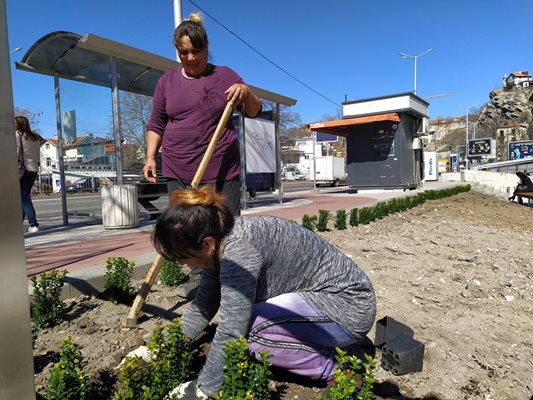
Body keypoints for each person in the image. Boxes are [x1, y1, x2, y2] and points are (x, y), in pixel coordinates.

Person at [153, 187, 377, 399]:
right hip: (326, 303)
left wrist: (203, 389)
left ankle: (340, 370)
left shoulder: (237, 254)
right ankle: (335, 344)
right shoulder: (221, 238)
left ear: (207, 244)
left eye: (181, 257)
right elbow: (204, 304)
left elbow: (233, 329)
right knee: (248, 323)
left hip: (348, 308)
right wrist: (159, 348)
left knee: (252, 335)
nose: (182, 264)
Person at [143, 12, 262, 299]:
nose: (190, 58)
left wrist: (246, 92)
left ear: (206, 49)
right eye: (183, 52)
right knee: (186, 229)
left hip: (220, 167)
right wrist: (150, 157)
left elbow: (254, 110)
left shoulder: (225, 76)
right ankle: (202, 284)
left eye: (196, 51)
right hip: (177, 166)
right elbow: (157, 123)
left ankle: (234, 279)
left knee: (227, 226)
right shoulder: (167, 82)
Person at [15, 116, 41, 233]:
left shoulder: (18, 134)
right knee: (23, 197)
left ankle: (33, 224)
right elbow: (37, 154)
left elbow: (17, 151)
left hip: (22, 170)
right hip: (33, 169)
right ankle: (19, 224)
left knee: (24, 197)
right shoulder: (34, 137)